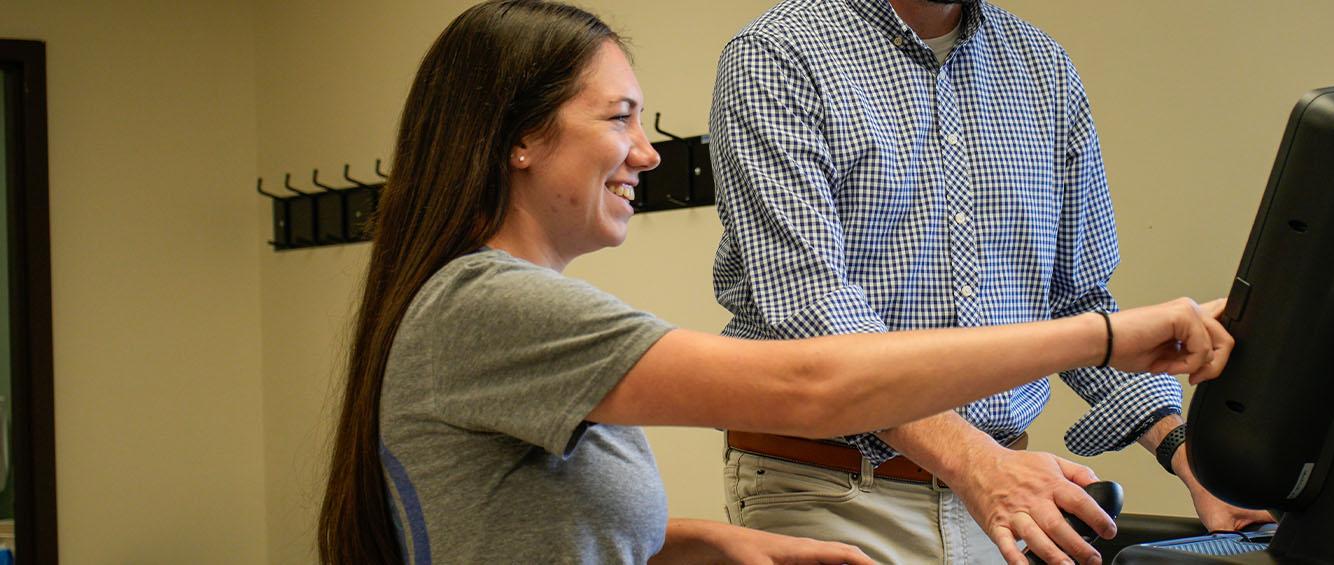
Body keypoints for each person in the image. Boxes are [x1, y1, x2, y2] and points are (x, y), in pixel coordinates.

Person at [315, 2, 1237, 563]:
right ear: (520, 138)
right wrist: (1108, 336)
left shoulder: (508, 308)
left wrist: (705, 541)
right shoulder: (497, 307)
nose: (649, 152)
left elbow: (543, 528)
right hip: (847, 479)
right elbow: (814, 376)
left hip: (1003, 498)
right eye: (622, 118)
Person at [708, 0, 1276, 563]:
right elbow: (815, 309)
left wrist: (1189, 455)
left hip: (1005, 499)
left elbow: (1078, 303)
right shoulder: (777, 53)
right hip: (830, 492)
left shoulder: (1043, 67)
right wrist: (976, 463)